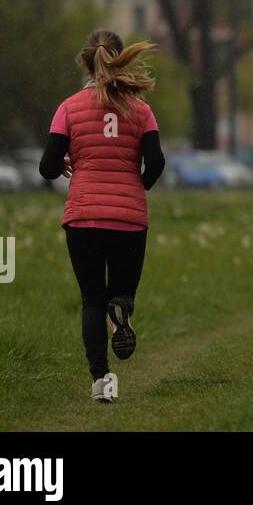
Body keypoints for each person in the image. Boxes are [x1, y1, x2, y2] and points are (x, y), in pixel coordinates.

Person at [39, 30, 166, 403]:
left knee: (91, 299)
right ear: (120, 58)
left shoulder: (69, 107)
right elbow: (156, 162)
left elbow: (47, 168)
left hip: (83, 217)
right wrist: (137, 183)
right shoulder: (141, 109)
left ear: (85, 62)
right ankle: (121, 311)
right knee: (121, 293)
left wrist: (65, 161)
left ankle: (101, 382)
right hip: (128, 218)